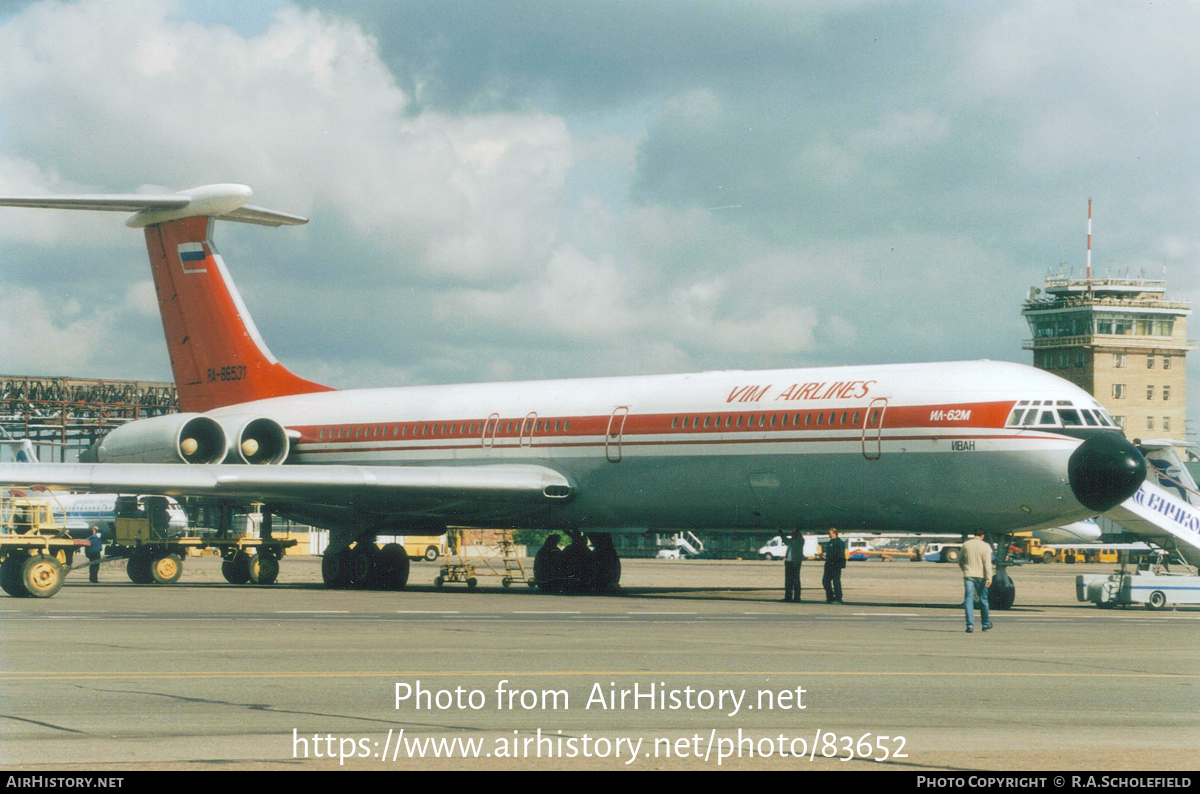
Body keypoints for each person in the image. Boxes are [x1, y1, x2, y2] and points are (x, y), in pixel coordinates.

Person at [959, 531, 994, 633]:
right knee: (983, 600)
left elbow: (960, 559)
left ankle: (970, 625)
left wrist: (964, 569)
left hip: (968, 574)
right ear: (982, 535)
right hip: (981, 576)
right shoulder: (986, 546)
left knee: (969, 600)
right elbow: (987, 563)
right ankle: (985, 623)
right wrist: (989, 577)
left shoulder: (966, 544)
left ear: (974, 534)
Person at [822, 528, 847, 604]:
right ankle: (830, 597)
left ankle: (838, 598)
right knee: (825, 581)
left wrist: (840, 564)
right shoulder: (830, 542)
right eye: (829, 533)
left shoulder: (839, 542)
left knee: (836, 582)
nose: (831, 535)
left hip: (836, 565)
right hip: (829, 564)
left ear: (835, 533)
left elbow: (841, 554)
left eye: (832, 533)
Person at [783, 533, 803, 602]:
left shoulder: (799, 542)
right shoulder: (790, 541)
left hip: (795, 562)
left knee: (796, 580)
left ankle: (797, 597)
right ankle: (788, 597)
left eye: (793, 534)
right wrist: (780, 532)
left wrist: (797, 531)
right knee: (788, 581)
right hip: (788, 562)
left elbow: (801, 538)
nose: (792, 535)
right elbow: (784, 539)